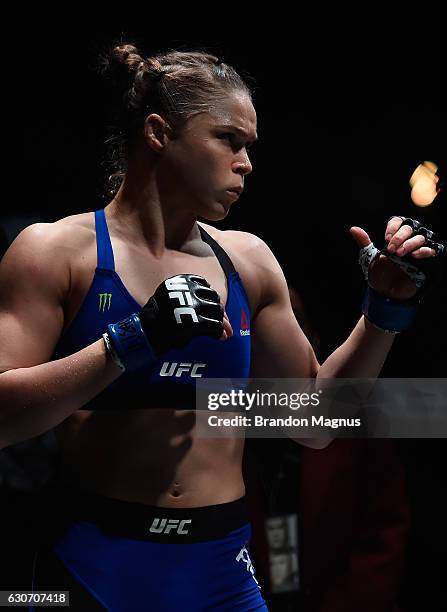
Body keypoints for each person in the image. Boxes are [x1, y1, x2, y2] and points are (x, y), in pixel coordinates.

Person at [0, 44, 442, 611]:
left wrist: (383, 309)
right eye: (228, 140)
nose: (247, 163)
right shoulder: (54, 251)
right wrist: (134, 338)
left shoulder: (250, 261)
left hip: (221, 575)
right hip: (92, 568)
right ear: (159, 133)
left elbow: (315, 424)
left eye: (250, 147)